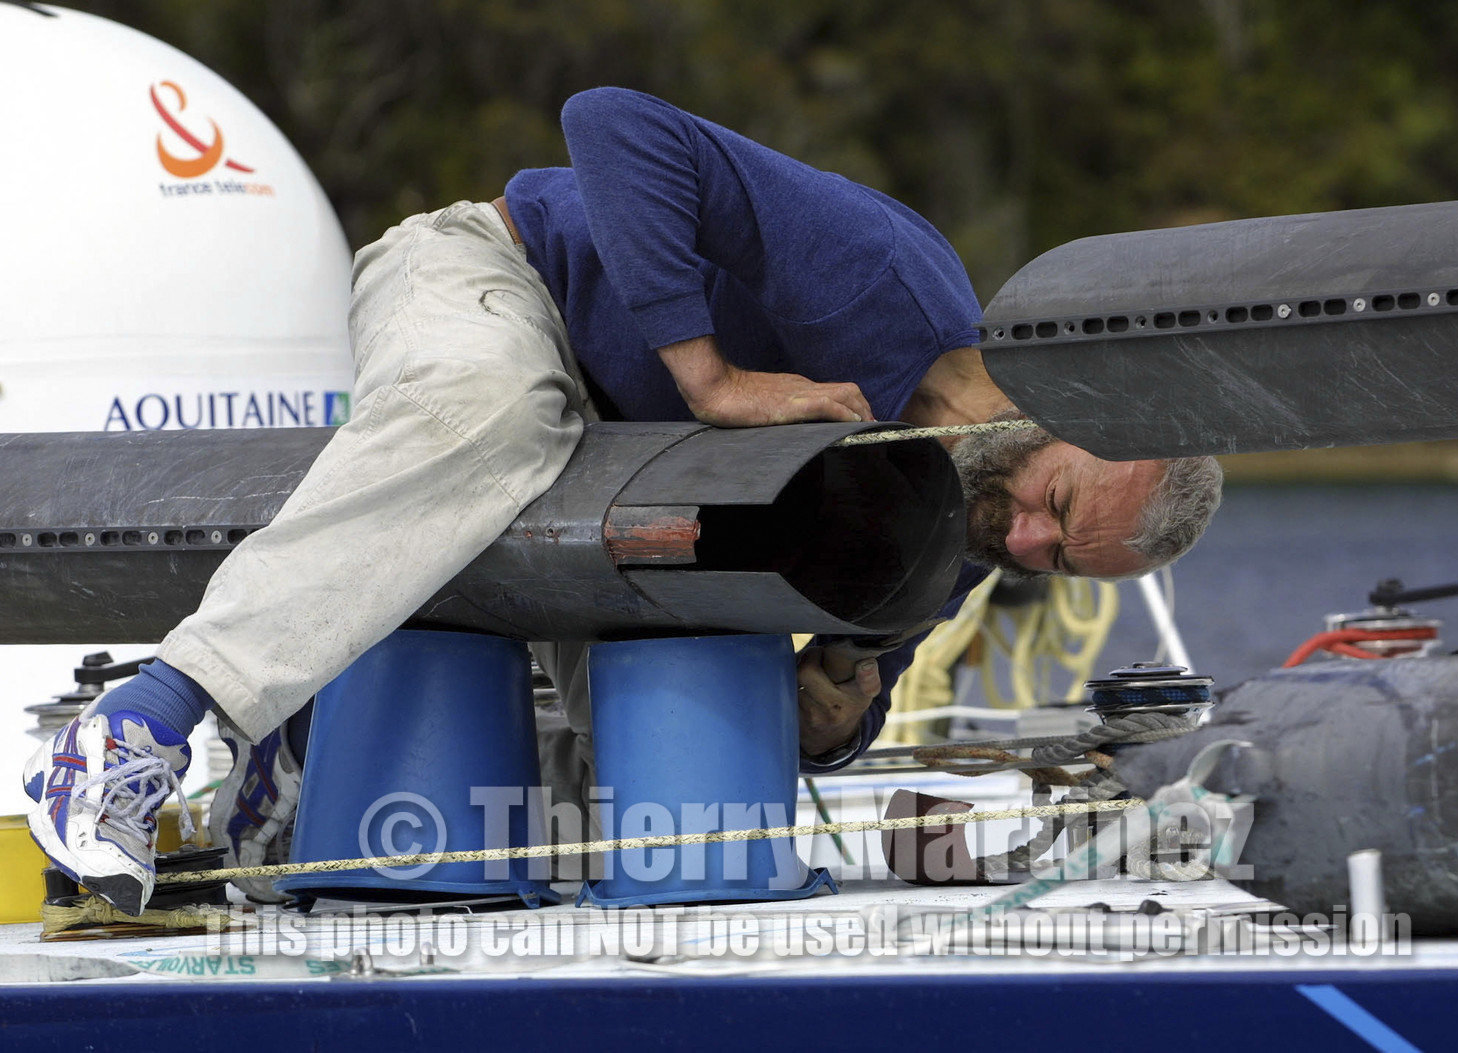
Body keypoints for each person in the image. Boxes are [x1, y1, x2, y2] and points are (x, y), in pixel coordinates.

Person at [24, 88, 1221, 913]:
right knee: (490, 419)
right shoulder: (887, 281)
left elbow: (856, 690)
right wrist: (712, 376)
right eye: (1057, 503)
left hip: (626, 441)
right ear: (1065, 404)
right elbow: (612, 123)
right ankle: (137, 729)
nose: (1021, 540)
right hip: (500, 276)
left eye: (1055, 561)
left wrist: (833, 704)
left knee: (704, 623)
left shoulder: (952, 520)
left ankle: (649, 902)